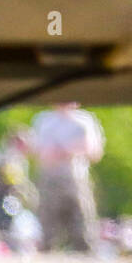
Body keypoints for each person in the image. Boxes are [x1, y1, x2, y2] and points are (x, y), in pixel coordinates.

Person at [31, 103, 104, 253]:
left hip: (76, 177)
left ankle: (86, 254)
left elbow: (95, 151)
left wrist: (69, 150)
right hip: (49, 176)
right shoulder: (43, 120)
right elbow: (36, 150)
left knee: (82, 221)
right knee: (48, 221)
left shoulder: (84, 120)